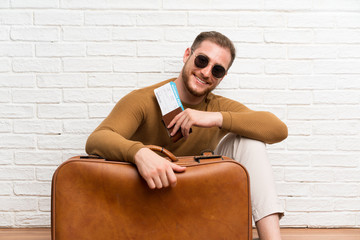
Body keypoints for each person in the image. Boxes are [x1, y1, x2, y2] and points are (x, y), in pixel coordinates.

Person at [86, 31, 288, 240]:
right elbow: (97, 139)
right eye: (202, 60)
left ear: (222, 78)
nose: (206, 72)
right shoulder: (144, 100)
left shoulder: (216, 107)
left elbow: (278, 130)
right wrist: (139, 153)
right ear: (187, 56)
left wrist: (214, 118)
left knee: (250, 142)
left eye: (217, 70)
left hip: (197, 203)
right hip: (146, 202)